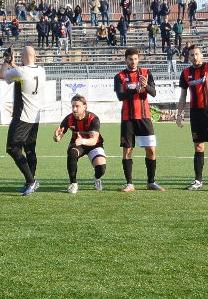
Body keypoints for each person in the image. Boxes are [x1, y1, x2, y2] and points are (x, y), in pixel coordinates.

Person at [174, 26, 208, 190]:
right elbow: (183, 95)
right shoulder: (185, 73)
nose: (194, 57)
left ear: (202, 55)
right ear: (188, 57)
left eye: (197, 54)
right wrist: (179, 114)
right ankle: (198, 180)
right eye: (192, 55)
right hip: (196, 113)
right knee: (198, 146)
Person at [0, 44, 47, 195]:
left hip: (22, 116)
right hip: (35, 116)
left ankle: (31, 181)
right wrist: (13, 65)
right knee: (30, 150)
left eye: (20, 56)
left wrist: (7, 61)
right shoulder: (41, 70)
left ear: (23, 57)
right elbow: (22, 73)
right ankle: (30, 182)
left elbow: (2, 75)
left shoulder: (20, 71)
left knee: (12, 148)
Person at [113, 48, 161, 191]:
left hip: (145, 117)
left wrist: (145, 86)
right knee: (127, 150)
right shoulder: (119, 76)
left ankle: (151, 182)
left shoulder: (146, 73)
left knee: (151, 150)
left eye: (135, 59)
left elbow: (153, 93)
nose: (133, 62)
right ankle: (129, 183)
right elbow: (120, 96)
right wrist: (136, 89)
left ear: (138, 59)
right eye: (130, 59)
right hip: (128, 118)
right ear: (126, 60)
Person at [54, 94, 107, 193]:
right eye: (73, 106)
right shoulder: (68, 119)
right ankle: (73, 183)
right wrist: (56, 136)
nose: (74, 109)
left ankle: (96, 178)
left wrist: (83, 141)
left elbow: (94, 140)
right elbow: (58, 139)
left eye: (77, 106)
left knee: (101, 168)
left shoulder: (93, 118)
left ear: (85, 106)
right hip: (78, 144)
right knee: (72, 153)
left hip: (93, 145)